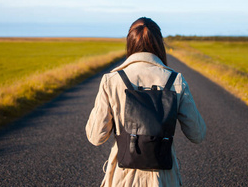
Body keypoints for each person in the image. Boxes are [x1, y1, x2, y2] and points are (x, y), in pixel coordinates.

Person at [86, 17, 206, 186]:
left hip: (122, 179)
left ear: (130, 43)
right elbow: (197, 134)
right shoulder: (176, 80)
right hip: (164, 180)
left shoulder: (111, 80)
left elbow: (95, 137)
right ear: (159, 44)